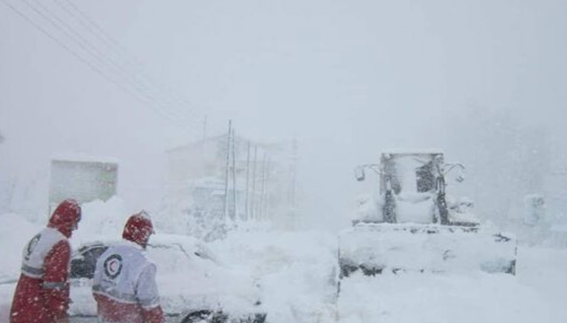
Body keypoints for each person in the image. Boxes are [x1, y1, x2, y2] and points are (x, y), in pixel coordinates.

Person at [10, 199, 82, 323]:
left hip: (21, 306)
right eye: (75, 222)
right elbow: (54, 284)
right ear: (69, 220)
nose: (75, 228)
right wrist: (60, 314)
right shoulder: (60, 244)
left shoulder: (42, 236)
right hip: (38, 311)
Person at [92, 211, 165, 323]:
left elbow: (96, 292)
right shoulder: (143, 264)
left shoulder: (106, 255)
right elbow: (151, 308)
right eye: (148, 235)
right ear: (144, 235)